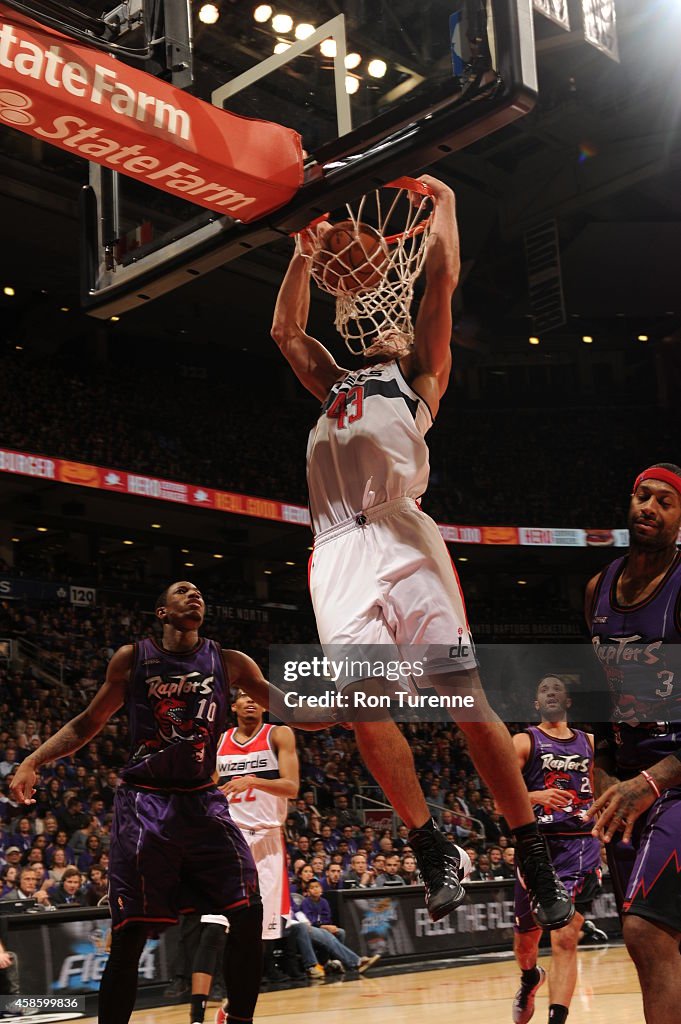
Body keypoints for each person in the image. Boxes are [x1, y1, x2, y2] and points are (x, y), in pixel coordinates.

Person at [270, 172, 572, 930]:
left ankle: (531, 852)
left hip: (400, 530)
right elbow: (284, 332)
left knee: (463, 699)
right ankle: (430, 843)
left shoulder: (418, 379)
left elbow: (439, 275)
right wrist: (306, 252)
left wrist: (448, 209)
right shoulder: (333, 383)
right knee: (365, 705)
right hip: (336, 547)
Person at [10, 581, 280, 1024]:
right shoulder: (133, 658)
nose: (195, 594)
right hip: (145, 805)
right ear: (161, 612)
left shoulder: (230, 662)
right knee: (131, 934)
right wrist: (34, 759)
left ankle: (239, 1020)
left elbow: (290, 706)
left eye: (199, 591)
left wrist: (345, 714)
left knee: (248, 912)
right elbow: (89, 722)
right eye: (183, 590)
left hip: (202, 803)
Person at [585, 464, 681, 1024]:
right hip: (628, 787)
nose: (649, 507)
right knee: (652, 942)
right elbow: (600, 698)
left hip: (672, 777)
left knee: (647, 929)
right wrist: (602, 775)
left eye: (665, 502)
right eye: (643, 496)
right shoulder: (599, 588)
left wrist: (650, 782)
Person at [189, 689, 299, 1024]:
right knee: (212, 928)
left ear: (265, 703)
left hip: (267, 842)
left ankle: (232, 1010)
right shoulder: (219, 742)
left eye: (256, 695)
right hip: (229, 841)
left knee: (254, 939)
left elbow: (292, 787)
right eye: (242, 696)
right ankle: (195, 1017)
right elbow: (202, 788)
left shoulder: (279, 733)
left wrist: (253, 780)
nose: (250, 700)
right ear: (233, 705)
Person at [511, 676, 601, 1024]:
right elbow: (496, 798)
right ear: (536, 704)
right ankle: (531, 977)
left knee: (566, 936)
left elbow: (604, 789)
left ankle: (556, 1020)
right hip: (536, 848)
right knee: (526, 944)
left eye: (557, 689)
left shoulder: (592, 744)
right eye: (543, 690)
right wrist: (533, 796)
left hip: (580, 845)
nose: (550, 693)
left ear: (568, 701)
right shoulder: (523, 741)